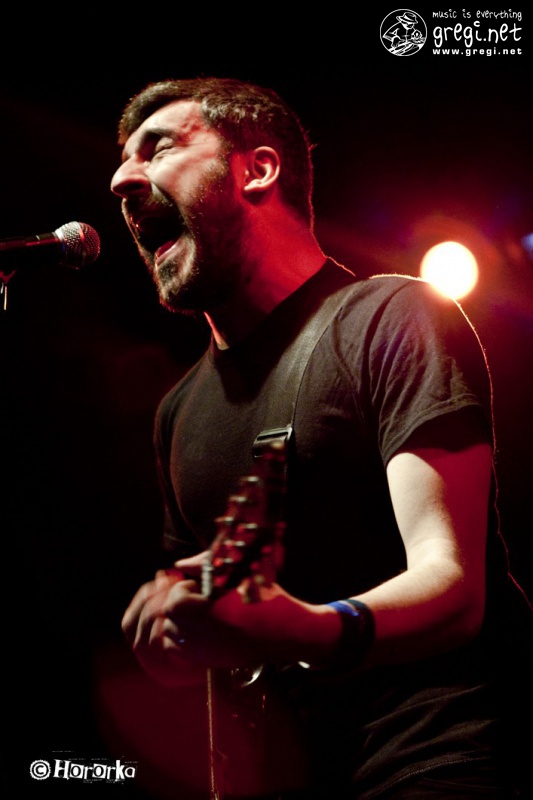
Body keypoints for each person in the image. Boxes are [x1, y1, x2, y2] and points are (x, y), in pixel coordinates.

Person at [111, 77, 532, 799]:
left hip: (441, 755)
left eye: (158, 148)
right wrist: (179, 641)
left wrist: (307, 629)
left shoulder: (394, 316)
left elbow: (456, 587)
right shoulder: (177, 412)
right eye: (122, 164)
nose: (122, 181)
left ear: (258, 169)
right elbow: (224, 652)